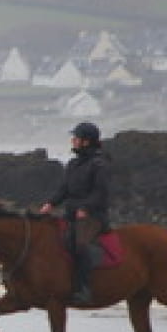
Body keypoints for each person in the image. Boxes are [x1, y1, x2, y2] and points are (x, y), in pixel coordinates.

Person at [37, 121, 111, 305]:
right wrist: (50, 204)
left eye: (76, 138)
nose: (73, 140)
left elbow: (100, 193)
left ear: (86, 142)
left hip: (93, 217)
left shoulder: (99, 165)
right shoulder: (73, 164)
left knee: (81, 245)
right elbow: (64, 190)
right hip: (71, 215)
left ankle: (85, 289)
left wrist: (85, 208)